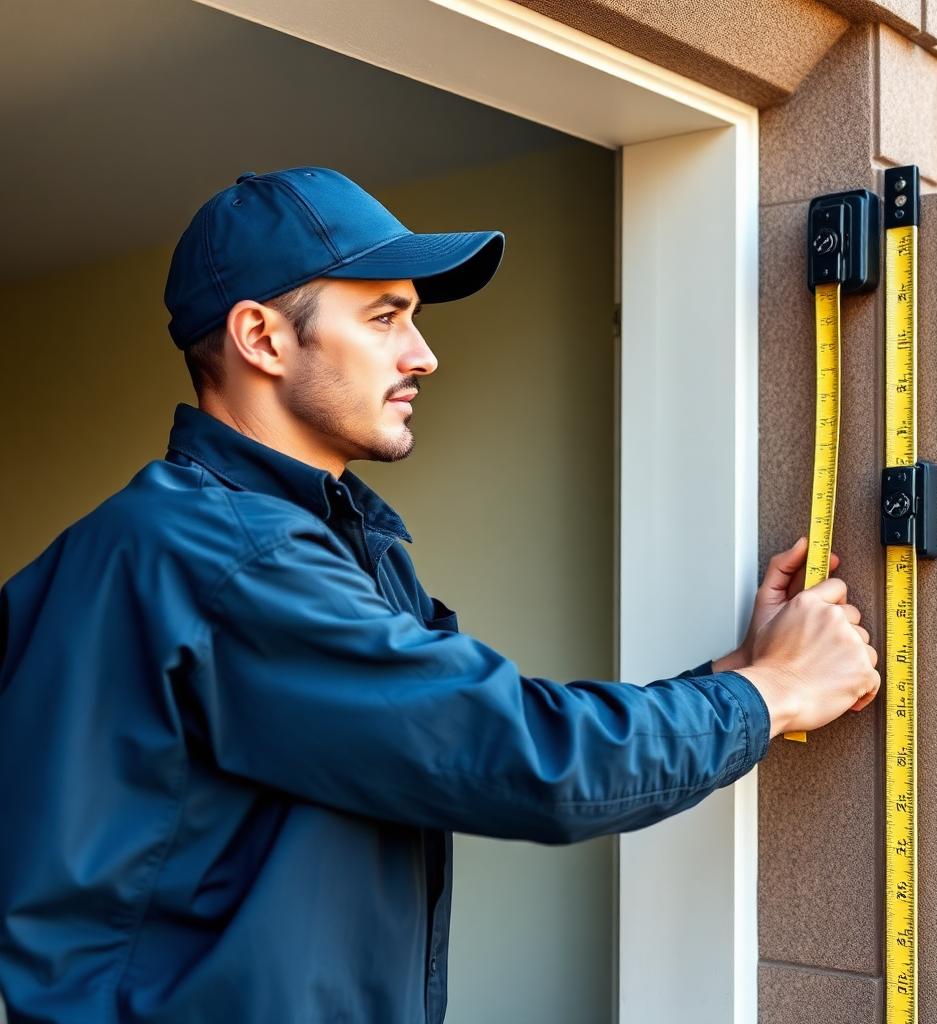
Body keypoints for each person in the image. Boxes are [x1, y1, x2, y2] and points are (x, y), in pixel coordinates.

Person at [0, 166, 878, 1024]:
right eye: (385, 317)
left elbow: (455, 726)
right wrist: (774, 692)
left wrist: (743, 668)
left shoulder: (279, 539)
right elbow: (524, 755)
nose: (423, 354)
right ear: (261, 338)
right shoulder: (227, 557)